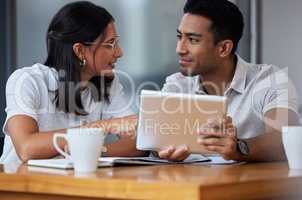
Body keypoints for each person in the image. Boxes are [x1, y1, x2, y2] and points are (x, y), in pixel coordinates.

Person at [0, 1, 146, 164]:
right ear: (80, 51)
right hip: (19, 183)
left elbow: (138, 142)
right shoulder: (27, 80)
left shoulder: (106, 82)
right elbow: (27, 148)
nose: (119, 52)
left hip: (73, 183)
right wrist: (104, 126)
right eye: (110, 44)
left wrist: (93, 152)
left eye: (116, 43)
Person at [157, 0, 300, 162]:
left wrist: (238, 147)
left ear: (224, 48)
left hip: (250, 186)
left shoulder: (270, 80)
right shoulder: (177, 85)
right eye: (179, 36)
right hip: (190, 184)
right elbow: (156, 142)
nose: (179, 49)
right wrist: (162, 151)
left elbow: (285, 139)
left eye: (192, 40)